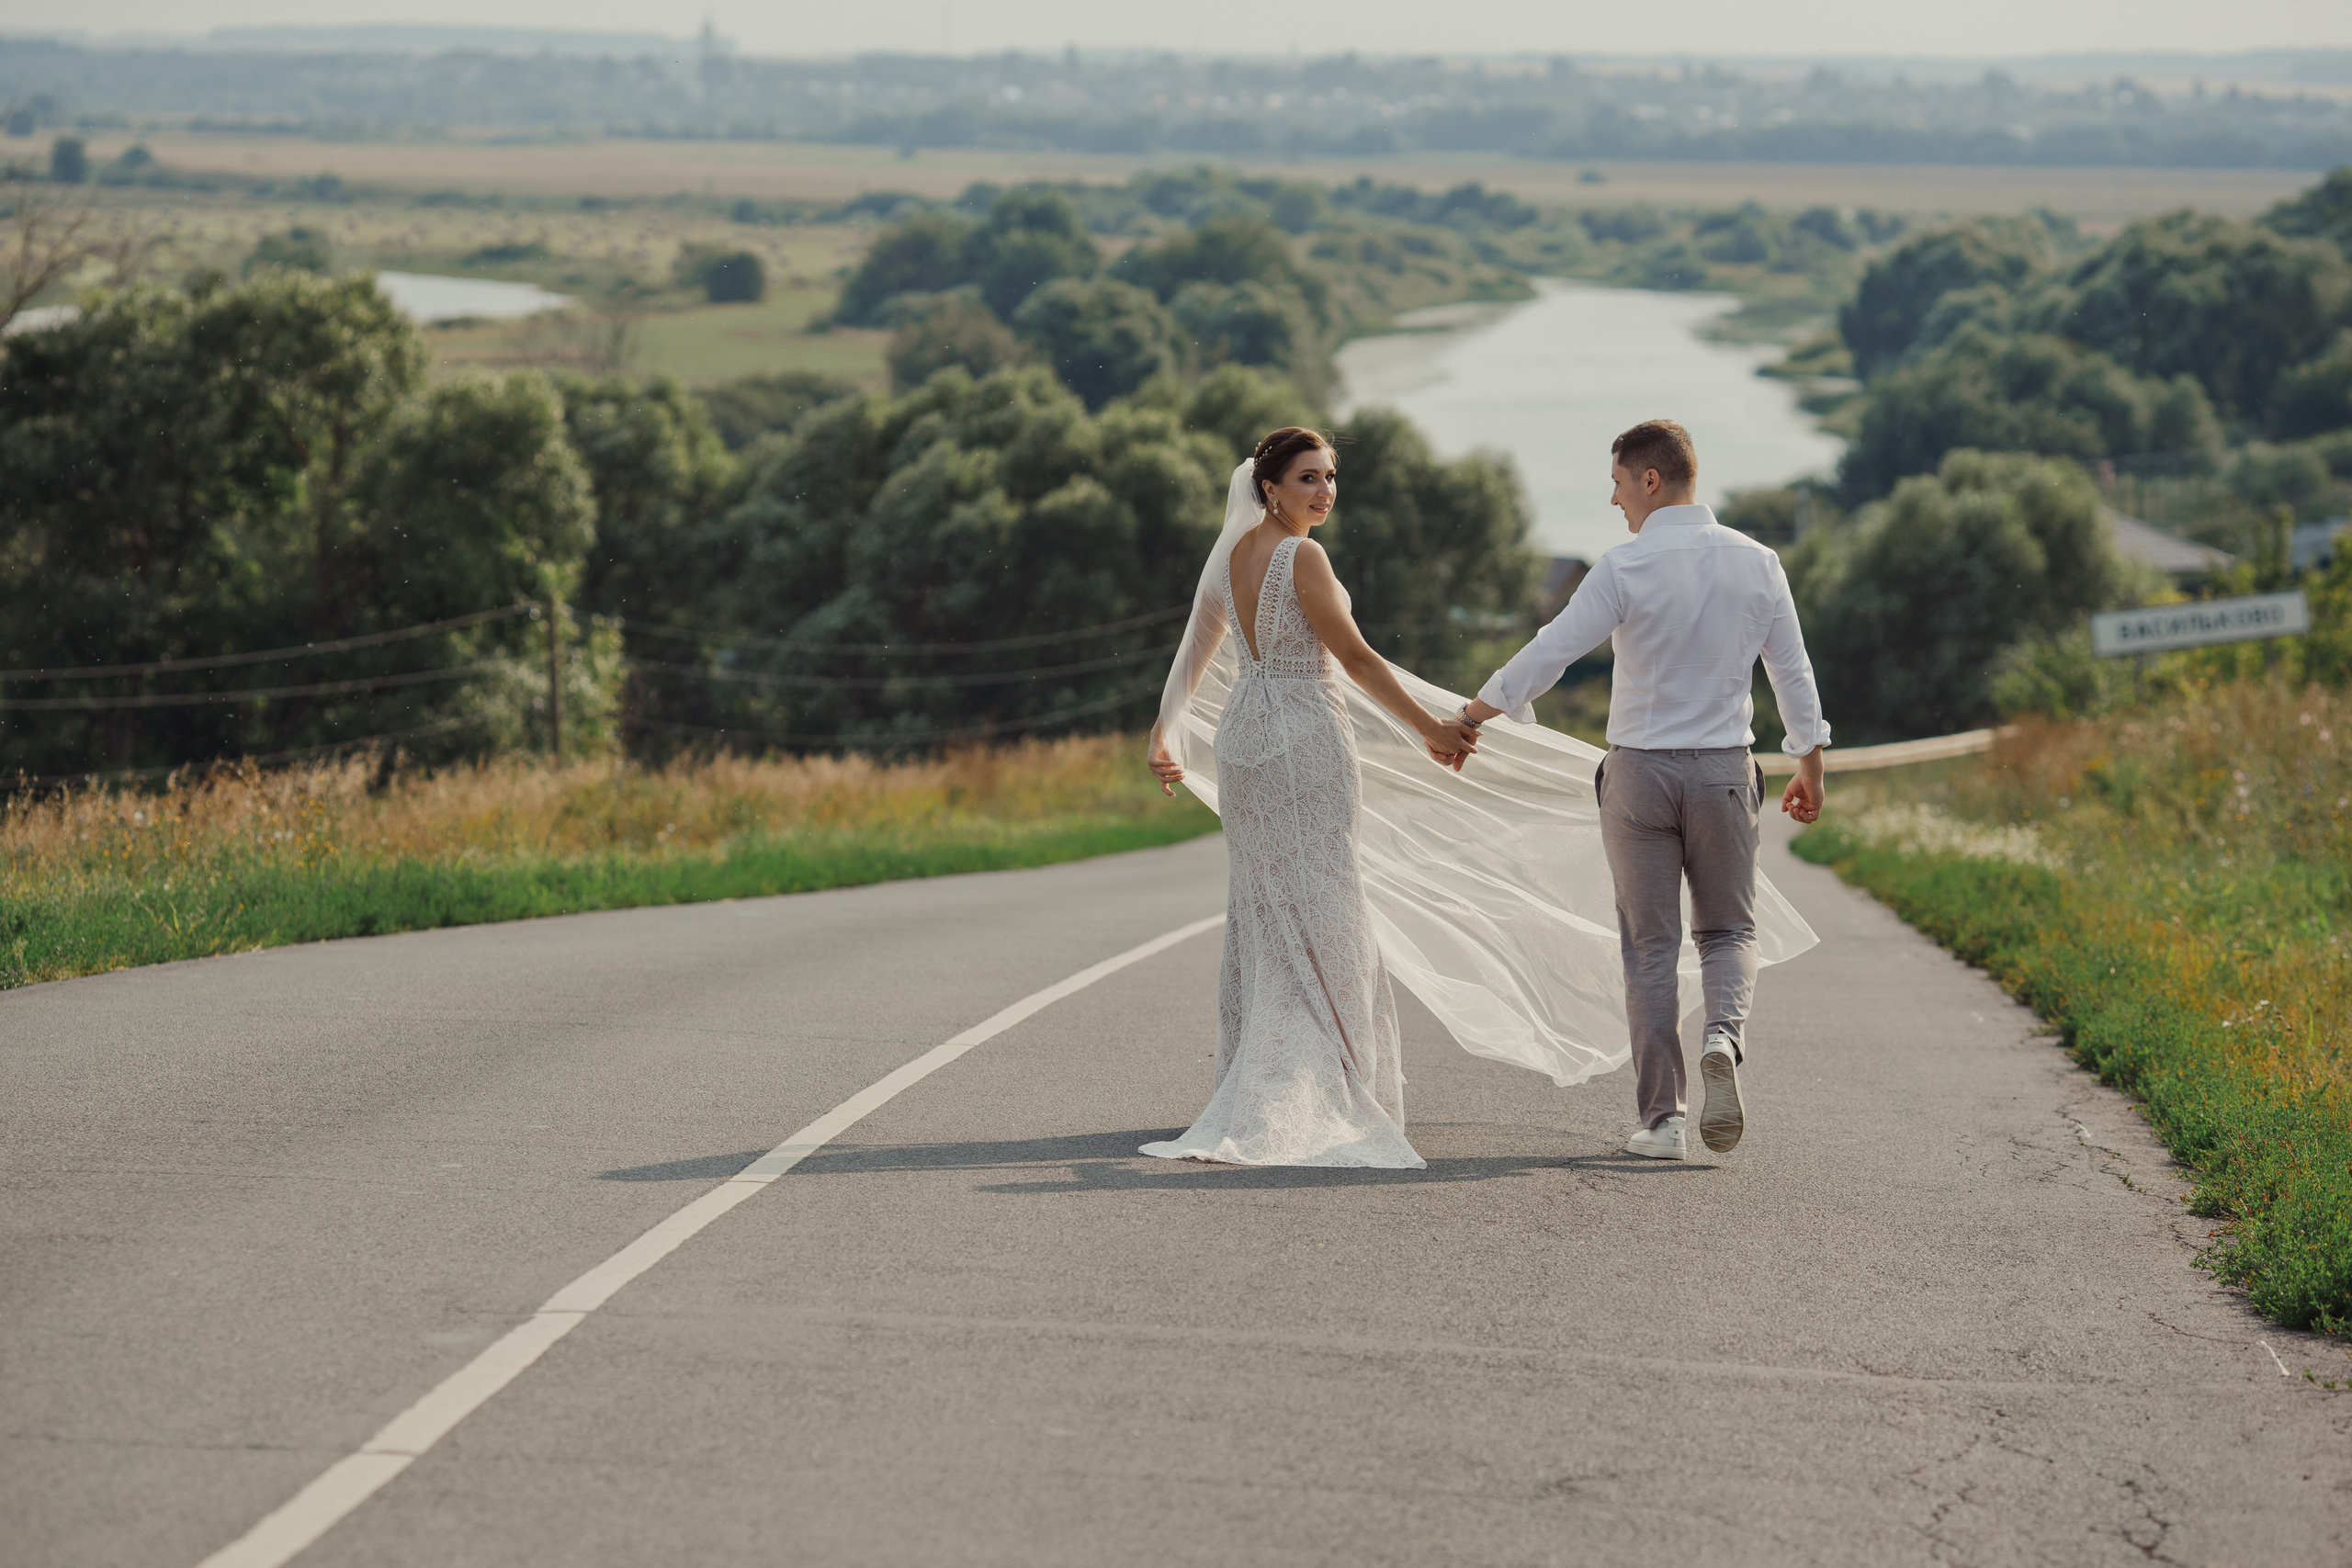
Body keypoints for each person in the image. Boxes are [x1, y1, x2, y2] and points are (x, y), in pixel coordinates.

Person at [1458, 419, 1830, 1162]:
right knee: (1727, 931)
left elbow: (1552, 649)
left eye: (1621, 484)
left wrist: (1471, 715)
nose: (1615, 500)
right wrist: (1809, 763)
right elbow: (1791, 671)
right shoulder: (1759, 563)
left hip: (1637, 775)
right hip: (1724, 769)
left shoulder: (1624, 567)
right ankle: (1724, 1035)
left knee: (1650, 947)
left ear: (1651, 480)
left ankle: (1662, 1120)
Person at [1141, 428, 1480, 1168]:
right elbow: (1355, 655)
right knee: (1325, 892)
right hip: (1303, 732)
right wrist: (1430, 728)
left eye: (1330, 478)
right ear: (1270, 487)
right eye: (1307, 480)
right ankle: (1316, 1074)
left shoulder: (1231, 554)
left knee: (1267, 897)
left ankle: (1258, 1064)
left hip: (1244, 737)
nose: (1325, 492)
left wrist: (1167, 729)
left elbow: (1198, 644)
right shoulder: (1303, 555)